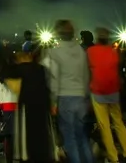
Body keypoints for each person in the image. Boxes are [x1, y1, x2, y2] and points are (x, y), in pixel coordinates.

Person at [42, 20, 92, 163]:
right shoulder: (81, 52)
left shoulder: (54, 53)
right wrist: (87, 97)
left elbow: (53, 79)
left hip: (65, 98)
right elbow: (86, 76)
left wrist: (53, 101)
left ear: (58, 34)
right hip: (81, 98)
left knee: (69, 138)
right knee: (82, 136)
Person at [87, 28, 126, 163]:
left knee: (104, 126)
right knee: (119, 122)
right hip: (113, 91)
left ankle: (113, 157)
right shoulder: (113, 51)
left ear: (97, 38)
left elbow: (88, 69)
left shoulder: (91, 51)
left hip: (98, 92)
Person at [2, 50, 57, 162]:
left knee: (28, 136)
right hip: (42, 106)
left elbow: (4, 74)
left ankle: (29, 157)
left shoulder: (19, 69)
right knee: (42, 134)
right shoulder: (41, 69)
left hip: (27, 106)